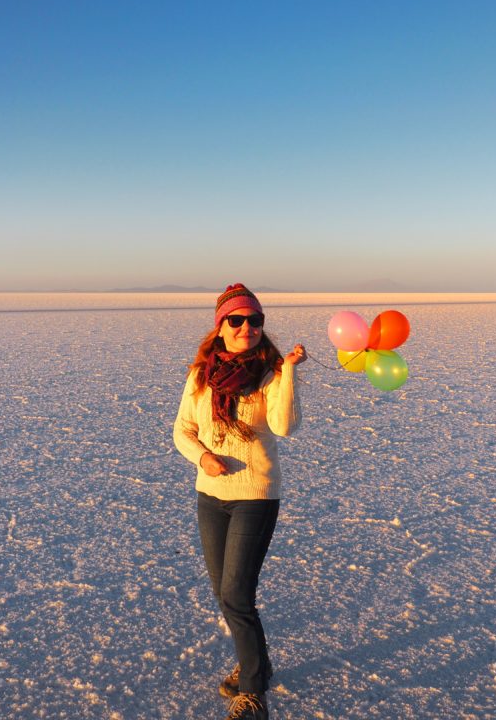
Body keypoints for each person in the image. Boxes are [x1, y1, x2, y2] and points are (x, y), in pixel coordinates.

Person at [173, 283, 307, 720]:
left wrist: (287, 373)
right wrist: (204, 457)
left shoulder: (269, 374)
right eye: (237, 319)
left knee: (236, 593)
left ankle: (253, 693)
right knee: (225, 592)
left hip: (255, 494)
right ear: (220, 327)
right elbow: (183, 431)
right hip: (210, 495)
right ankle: (258, 664)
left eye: (255, 320)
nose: (247, 327)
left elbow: (285, 427)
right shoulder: (199, 376)